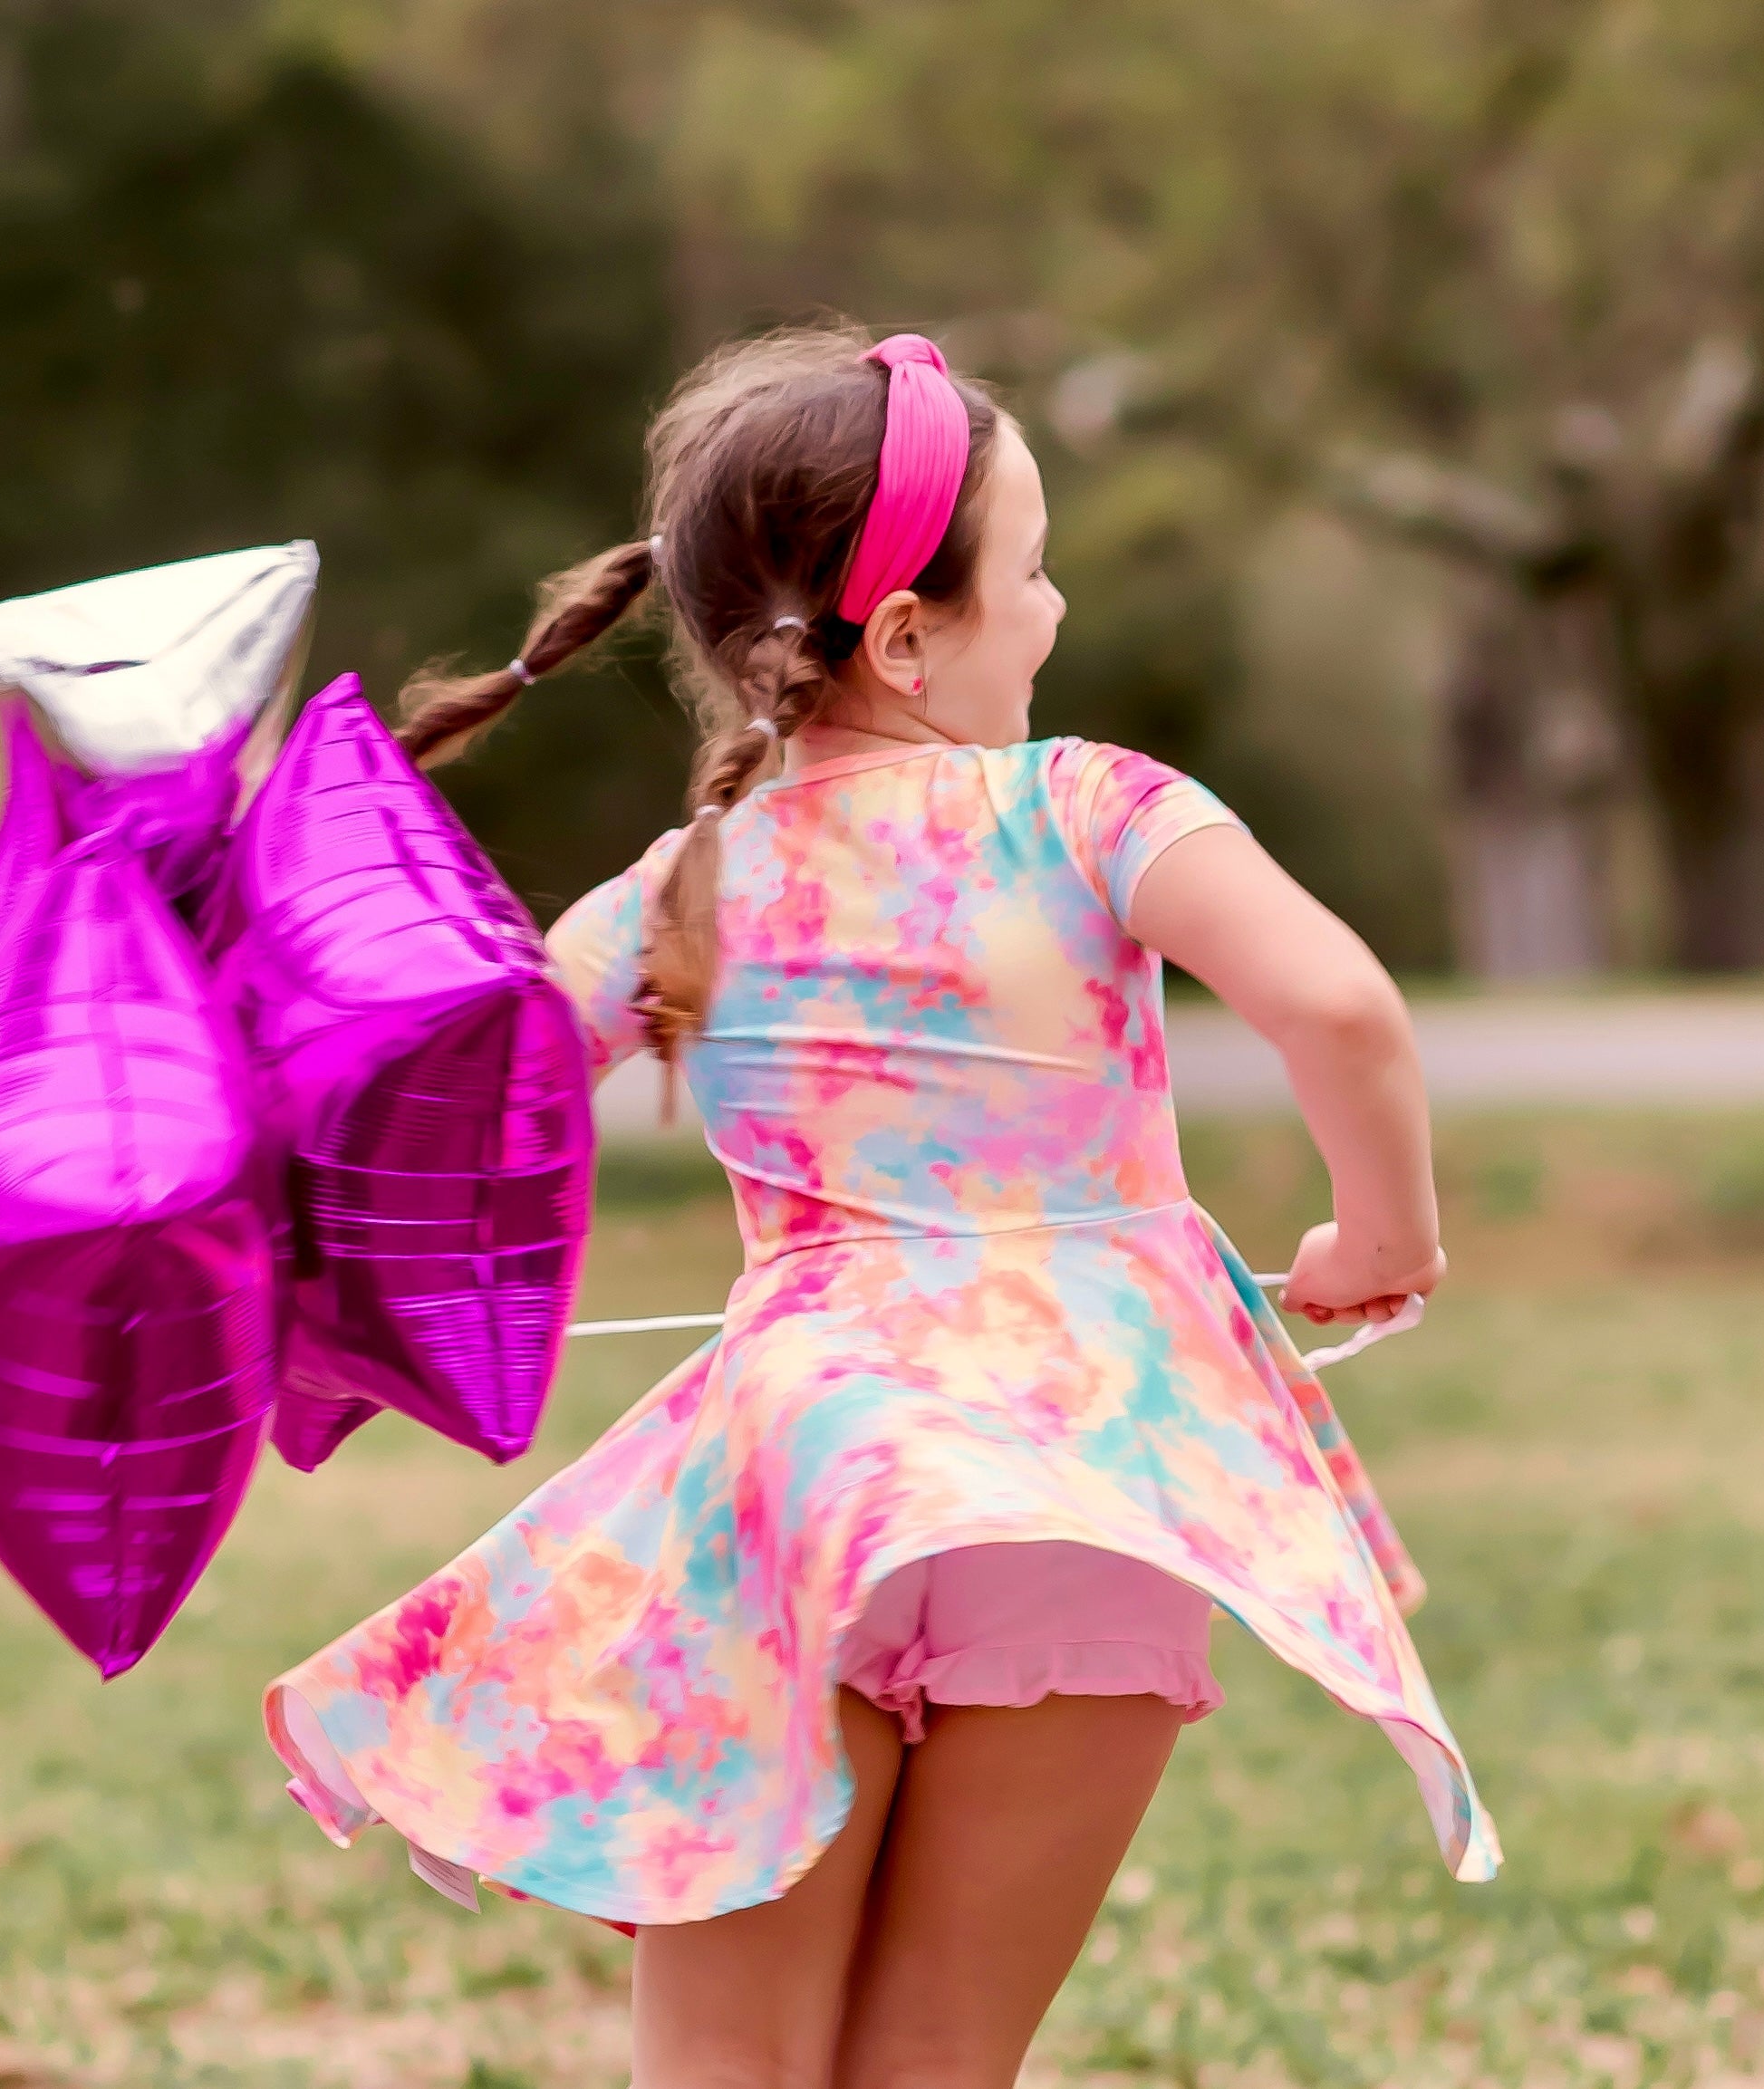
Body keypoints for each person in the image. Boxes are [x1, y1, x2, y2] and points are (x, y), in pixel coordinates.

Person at [265, 324, 1499, 2089]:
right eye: (1033, 569)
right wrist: (1383, 1239)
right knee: (938, 2058)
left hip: (796, 1495)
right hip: (1087, 1492)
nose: (1057, 609)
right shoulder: (1089, 805)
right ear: (910, 634)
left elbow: (435, 1137)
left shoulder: (675, 892)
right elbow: (1343, 1008)